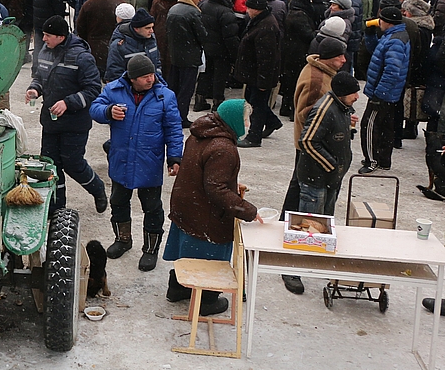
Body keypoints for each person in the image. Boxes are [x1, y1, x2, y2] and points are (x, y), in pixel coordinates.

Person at [164, 99, 260, 317]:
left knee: (188, 249)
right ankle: (206, 300)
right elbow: (216, 190)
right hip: (205, 213)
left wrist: (232, 184)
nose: (248, 124)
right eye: (246, 119)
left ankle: (178, 287)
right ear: (234, 121)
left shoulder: (199, 134)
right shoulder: (224, 148)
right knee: (208, 255)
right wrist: (248, 210)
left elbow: (201, 172)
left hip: (186, 205)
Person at [90, 53, 184, 271]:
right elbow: (94, 108)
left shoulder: (165, 97)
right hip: (121, 161)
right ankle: (123, 240)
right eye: (144, 77)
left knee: (152, 208)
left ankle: (150, 250)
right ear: (132, 78)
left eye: (152, 75)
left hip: (148, 163)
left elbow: (174, 130)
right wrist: (107, 111)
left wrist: (175, 157)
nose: (150, 79)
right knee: (118, 202)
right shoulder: (114, 90)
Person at [276, 37, 347, 295]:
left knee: (297, 187)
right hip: (311, 147)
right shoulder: (317, 79)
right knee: (303, 190)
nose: (344, 60)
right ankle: (292, 253)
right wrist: (337, 121)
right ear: (328, 57)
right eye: (340, 56)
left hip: (313, 145)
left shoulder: (322, 71)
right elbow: (308, 114)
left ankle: (283, 227)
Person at [25, 16, 105, 212]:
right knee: (51, 165)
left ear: (61, 37)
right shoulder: (44, 51)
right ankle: (57, 207)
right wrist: (35, 89)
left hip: (75, 123)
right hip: (51, 121)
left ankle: (97, 188)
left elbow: (94, 89)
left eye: (47, 35)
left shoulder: (82, 58)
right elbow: (40, 76)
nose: (43, 39)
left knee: (72, 164)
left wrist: (68, 103)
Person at [297, 71, 360, 216]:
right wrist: (331, 165)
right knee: (312, 226)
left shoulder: (343, 107)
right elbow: (307, 141)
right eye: (353, 93)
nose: (357, 97)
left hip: (331, 179)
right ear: (341, 93)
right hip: (316, 180)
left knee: (324, 223)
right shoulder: (324, 110)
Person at [359, 7, 410, 173]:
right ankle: (383, 160)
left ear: (387, 21)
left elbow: (392, 71)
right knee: (386, 127)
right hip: (389, 93)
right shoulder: (394, 36)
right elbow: (378, 52)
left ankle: (371, 161)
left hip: (383, 93)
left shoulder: (394, 40)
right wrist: (370, 34)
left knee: (369, 125)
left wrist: (379, 94)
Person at [233, 0, 282, 147]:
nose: (247, 11)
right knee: (253, 100)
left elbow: (266, 58)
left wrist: (263, 81)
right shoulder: (259, 21)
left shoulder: (266, 26)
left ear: (257, 9)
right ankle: (272, 122)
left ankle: (254, 137)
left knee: (257, 105)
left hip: (259, 74)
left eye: (249, 8)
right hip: (254, 72)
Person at [165, 0, 208, 127]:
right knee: (186, 90)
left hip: (175, 56)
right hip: (190, 57)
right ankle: (181, 117)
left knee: (174, 87)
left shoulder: (173, 9)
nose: (200, 0)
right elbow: (202, 35)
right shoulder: (193, 12)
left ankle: (170, 115)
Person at [197, 0, 241, 112]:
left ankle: (200, 99)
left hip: (205, 47)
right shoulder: (225, 11)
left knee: (205, 73)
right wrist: (235, 54)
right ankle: (218, 102)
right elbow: (230, 36)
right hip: (221, 49)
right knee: (220, 76)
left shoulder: (202, 5)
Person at [75, 0, 122, 79]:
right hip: (116, 47)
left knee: (95, 77)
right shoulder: (120, 4)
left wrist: (86, 39)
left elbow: (80, 26)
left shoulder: (89, 4)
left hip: (94, 47)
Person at [104, 8, 161, 82]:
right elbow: (114, 72)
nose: (151, 31)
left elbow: (157, 62)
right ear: (136, 29)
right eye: (147, 28)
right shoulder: (119, 45)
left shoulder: (151, 39)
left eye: (152, 27)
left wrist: (157, 79)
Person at [31, 0, 67, 73]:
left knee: (38, 44)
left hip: (37, 19)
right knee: (51, 45)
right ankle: (48, 67)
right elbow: (58, 6)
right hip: (50, 20)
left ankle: (35, 68)